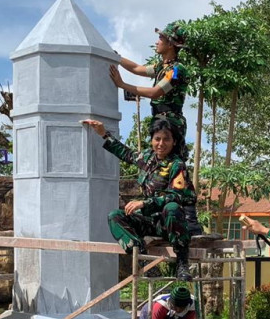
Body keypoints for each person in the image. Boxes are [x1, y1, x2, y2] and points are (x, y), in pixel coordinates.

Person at [83, 118, 195, 281]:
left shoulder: (177, 165)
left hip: (170, 223)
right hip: (150, 221)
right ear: (152, 140)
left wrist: (144, 203)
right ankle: (145, 262)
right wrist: (103, 134)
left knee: (172, 207)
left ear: (174, 142)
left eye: (166, 139)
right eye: (157, 139)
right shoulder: (148, 158)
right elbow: (127, 154)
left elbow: (176, 195)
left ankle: (182, 263)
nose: (161, 144)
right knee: (115, 216)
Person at [112, 21, 190, 160]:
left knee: (171, 163)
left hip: (171, 122)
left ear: (170, 44)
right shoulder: (161, 67)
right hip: (161, 118)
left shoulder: (176, 70)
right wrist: (116, 57)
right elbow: (136, 68)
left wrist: (122, 84)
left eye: (161, 38)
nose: (157, 42)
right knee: (157, 163)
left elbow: (155, 92)